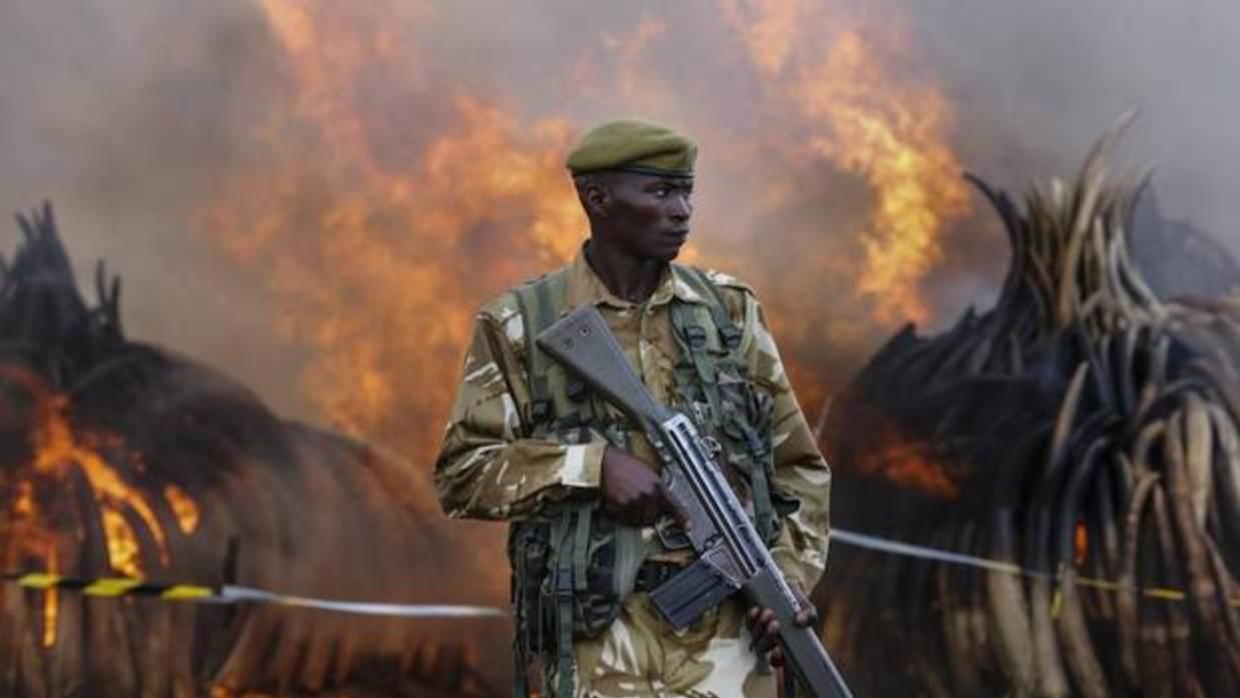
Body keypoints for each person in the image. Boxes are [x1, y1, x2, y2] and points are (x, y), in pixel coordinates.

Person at [434, 118, 831, 698]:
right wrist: (591, 468)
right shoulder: (521, 323)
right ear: (596, 198)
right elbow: (463, 473)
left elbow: (798, 468)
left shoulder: (727, 313)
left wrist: (787, 579)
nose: (682, 210)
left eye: (686, 191)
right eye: (660, 192)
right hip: (593, 643)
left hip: (725, 640)